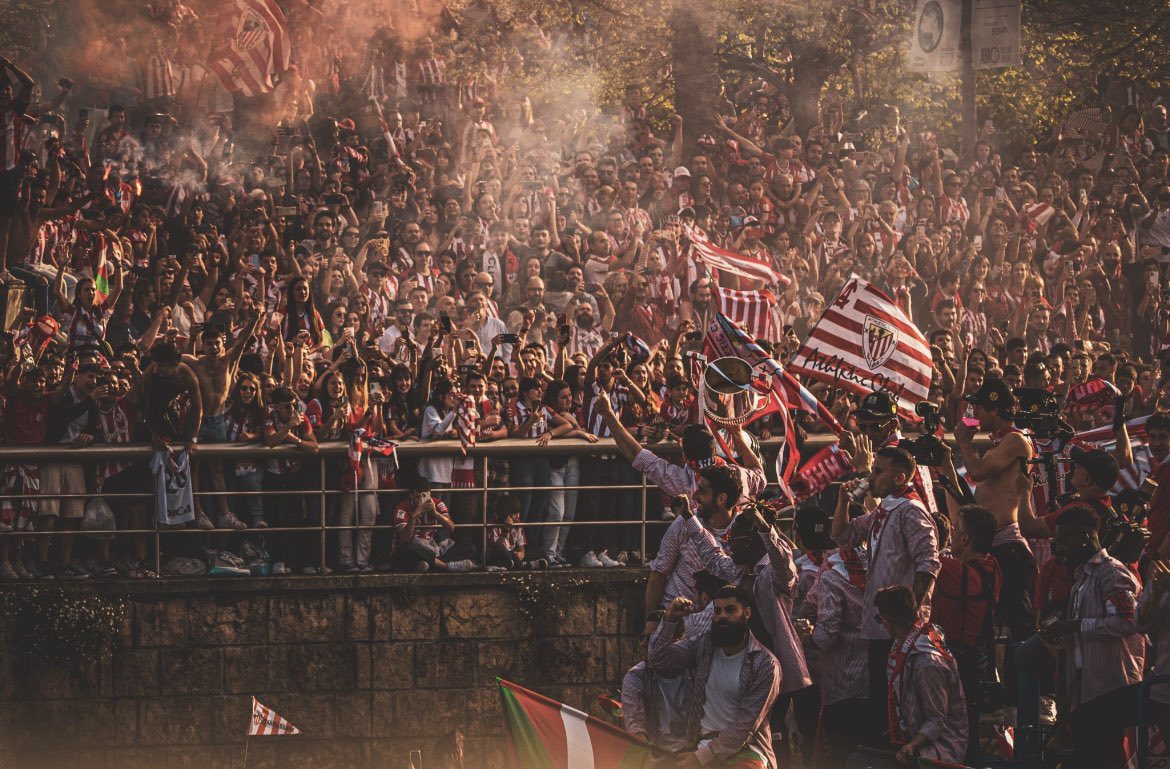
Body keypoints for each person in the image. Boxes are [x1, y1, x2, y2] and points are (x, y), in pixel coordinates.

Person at [832, 446, 940, 744]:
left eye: (879, 471)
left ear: (900, 477)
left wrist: (910, 615)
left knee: (902, 706)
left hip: (900, 628)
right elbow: (843, 536)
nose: (872, 476)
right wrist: (842, 502)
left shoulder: (910, 510)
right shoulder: (885, 509)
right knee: (883, 704)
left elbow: (929, 562)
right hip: (881, 627)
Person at [1040, 504, 1145, 769]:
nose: (1059, 549)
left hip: (1110, 691)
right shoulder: (1081, 581)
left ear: (1085, 537)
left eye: (1063, 541)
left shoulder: (1112, 573)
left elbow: (1127, 621)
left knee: (1106, 757)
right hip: (1085, 694)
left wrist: (1074, 626)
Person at [650, 586, 782, 769]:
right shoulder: (704, 645)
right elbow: (658, 659)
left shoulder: (765, 665)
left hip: (746, 750)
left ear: (747, 613)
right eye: (717, 611)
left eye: (730, 610)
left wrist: (700, 759)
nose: (722, 617)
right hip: (700, 743)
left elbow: (744, 728)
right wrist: (670, 619)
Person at [929, 504, 1001, 764]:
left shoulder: (955, 571)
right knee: (966, 727)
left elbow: (921, 556)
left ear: (965, 538)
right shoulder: (992, 566)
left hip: (954, 659)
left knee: (951, 731)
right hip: (974, 657)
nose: (951, 533)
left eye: (955, 529)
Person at [873, 585, 969, 765]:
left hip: (941, 750)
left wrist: (911, 746)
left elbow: (936, 720)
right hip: (913, 736)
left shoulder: (926, 663)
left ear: (889, 621)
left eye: (880, 618)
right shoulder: (905, 641)